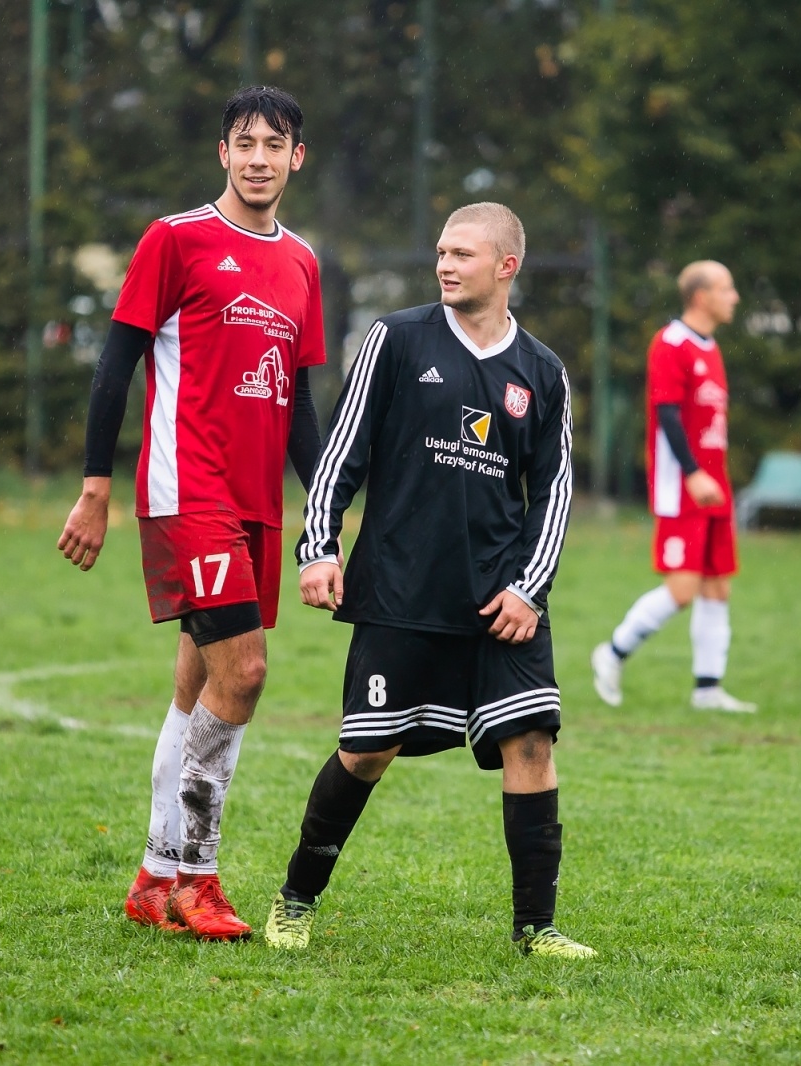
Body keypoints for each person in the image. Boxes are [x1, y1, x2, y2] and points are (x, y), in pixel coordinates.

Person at [261, 203, 594, 958]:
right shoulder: (397, 338)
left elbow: (553, 492)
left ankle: (536, 929)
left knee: (532, 744)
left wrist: (529, 589)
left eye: (462, 254)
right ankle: (296, 900)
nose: (445, 265)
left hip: (500, 598)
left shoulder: (542, 372)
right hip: (401, 590)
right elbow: (341, 453)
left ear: (506, 266)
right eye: (441, 252)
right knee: (367, 751)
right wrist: (318, 548)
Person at [56, 86, 325, 941]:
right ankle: (197, 879)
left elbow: (300, 402)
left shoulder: (303, 262)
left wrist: (322, 509)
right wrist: (96, 486)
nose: (258, 159)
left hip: (257, 503)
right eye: (244, 143)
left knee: (198, 686)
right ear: (222, 153)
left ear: (296, 158)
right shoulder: (175, 239)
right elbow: (116, 364)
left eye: (273, 145)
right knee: (244, 674)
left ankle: (153, 878)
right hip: (188, 491)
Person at [591, 261, 757, 713]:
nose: (735, 297)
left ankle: (708, 689)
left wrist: (712, 475)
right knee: (683, 589)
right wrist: (692, 472)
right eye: (726, 289)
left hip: (714, 484)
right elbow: (666, 414)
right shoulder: (671, 343)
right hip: (684, 485)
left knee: (717, 588)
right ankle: (612, 653)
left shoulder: (711, 347)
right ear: (701, 297)